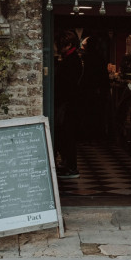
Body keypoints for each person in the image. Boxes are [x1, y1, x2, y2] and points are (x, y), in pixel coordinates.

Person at [54, 30, 83, 178]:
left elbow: (67, 85)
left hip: (68, 105)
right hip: (69, 104)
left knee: (67, 135)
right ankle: (68, 164)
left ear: (69, 45)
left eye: (61, 45)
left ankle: (71, 167)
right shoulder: (72, 59)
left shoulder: (71, 61)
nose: (59, 48)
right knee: (65, 134)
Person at [79, 34, 111, 141]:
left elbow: (86, 75)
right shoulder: (100, 58)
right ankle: (96, 136)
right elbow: (103, 76)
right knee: (97, 114)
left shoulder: (86, 58)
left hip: (88, 89)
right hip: (97, 90)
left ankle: (87, 136)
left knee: (88, 114)